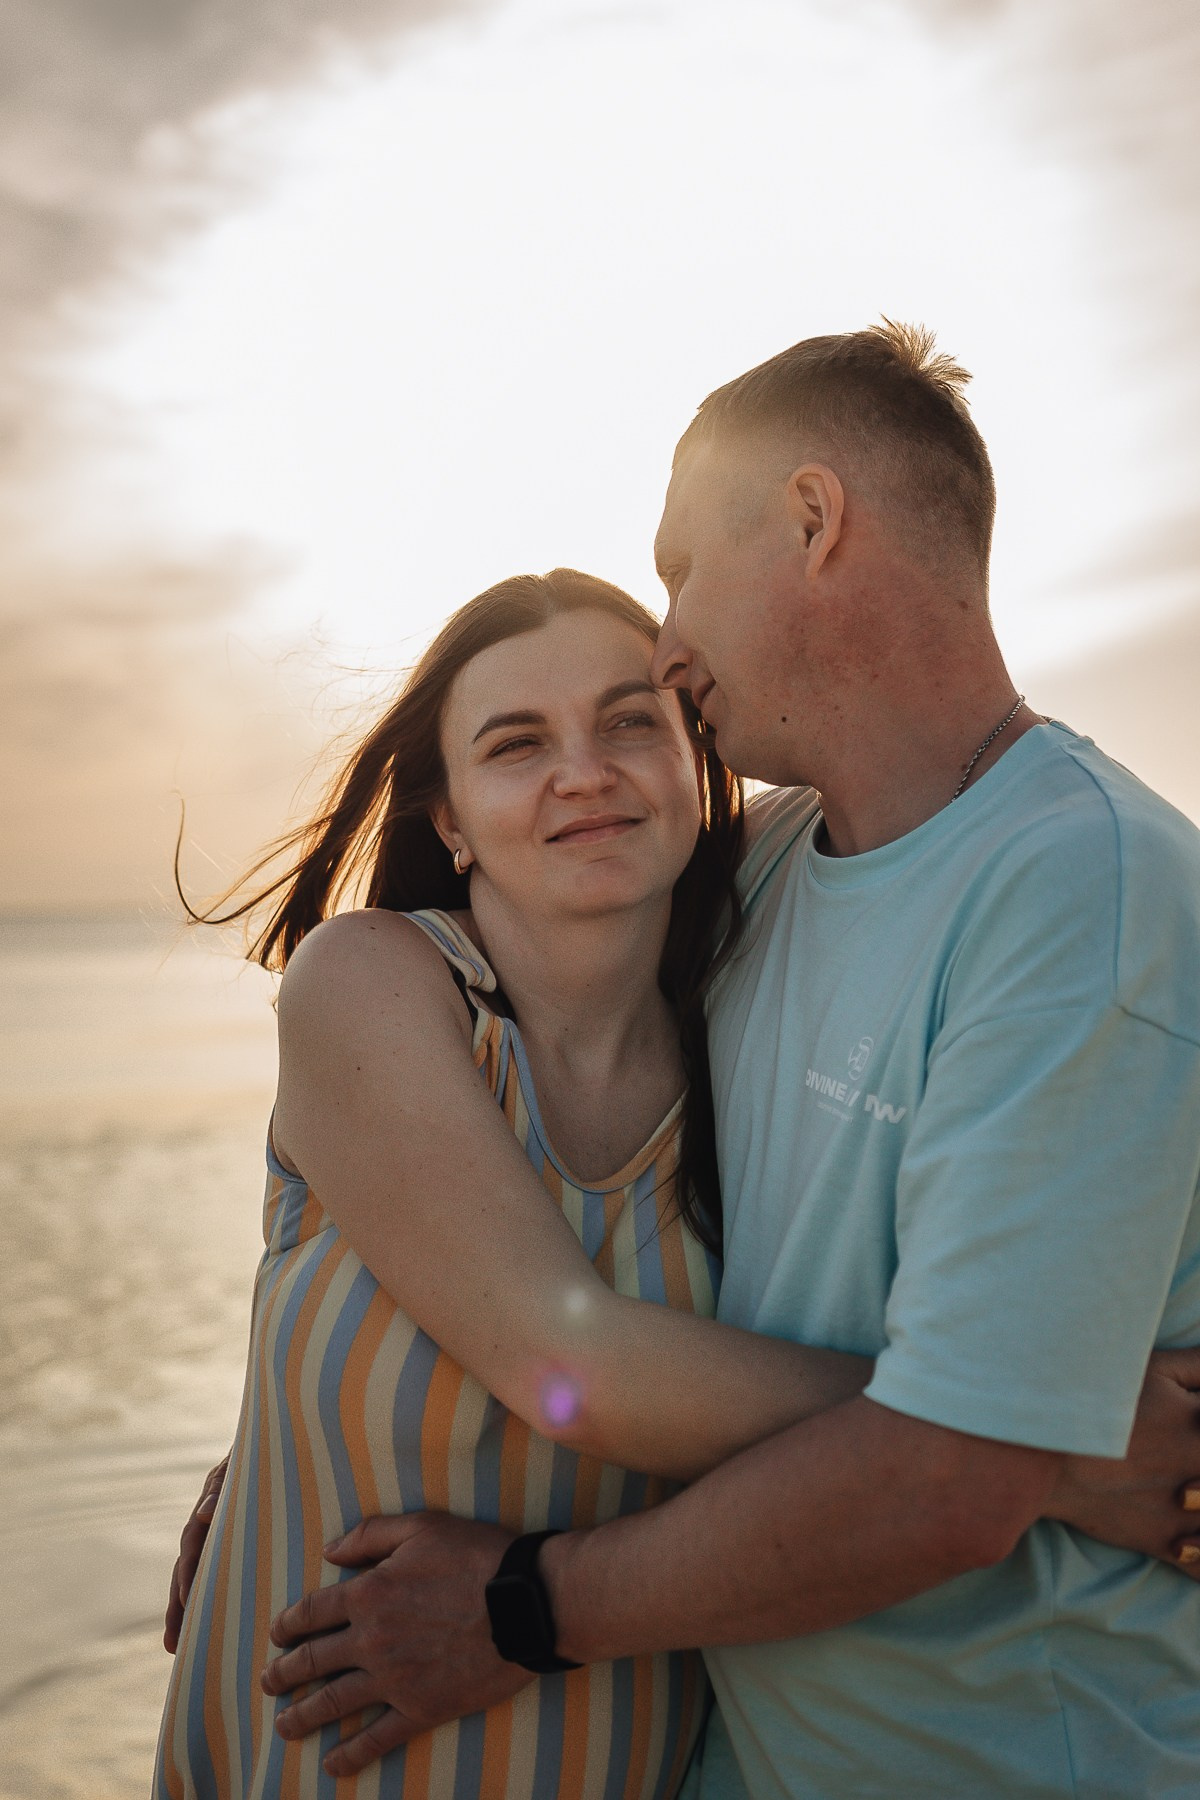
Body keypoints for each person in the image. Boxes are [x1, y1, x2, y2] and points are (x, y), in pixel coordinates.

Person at [254, 325, 1200, 1799]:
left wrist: (523, 1607)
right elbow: (542, 1296)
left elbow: (951, 1483)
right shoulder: (755, 879)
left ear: (815, 520)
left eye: (682, 568)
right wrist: (275, 1449)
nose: (669, 641)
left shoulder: (1081, 884)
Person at [156, 565, 918, 1798]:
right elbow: (576, 1374)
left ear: (697, 764)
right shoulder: (372, 983)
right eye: (517, 745)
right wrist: (1019, 1435)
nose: (586, 771)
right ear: (449, 817)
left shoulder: (760, 1041)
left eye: (632, 721)